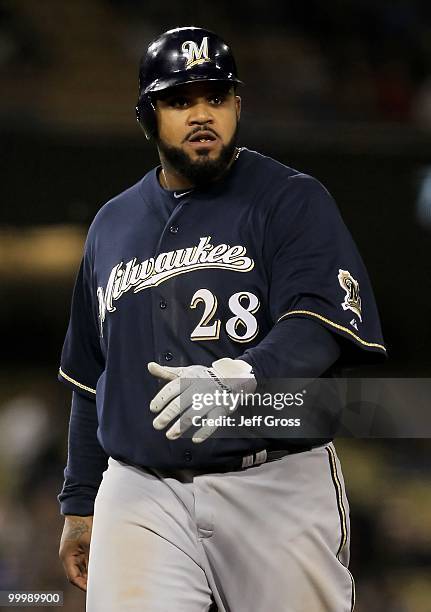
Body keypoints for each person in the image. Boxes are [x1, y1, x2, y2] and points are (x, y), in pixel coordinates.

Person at [57, 26, 386, 612]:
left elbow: (318, 323)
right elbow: (91, 379)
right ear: (148, 116)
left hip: (273, 480)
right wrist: (80, 502)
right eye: (180, 101)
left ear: (237, 107)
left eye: (215, 97)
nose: (201, 114)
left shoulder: (291, 199)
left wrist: (246, 375)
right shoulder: (111, 225)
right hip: (142, 489)